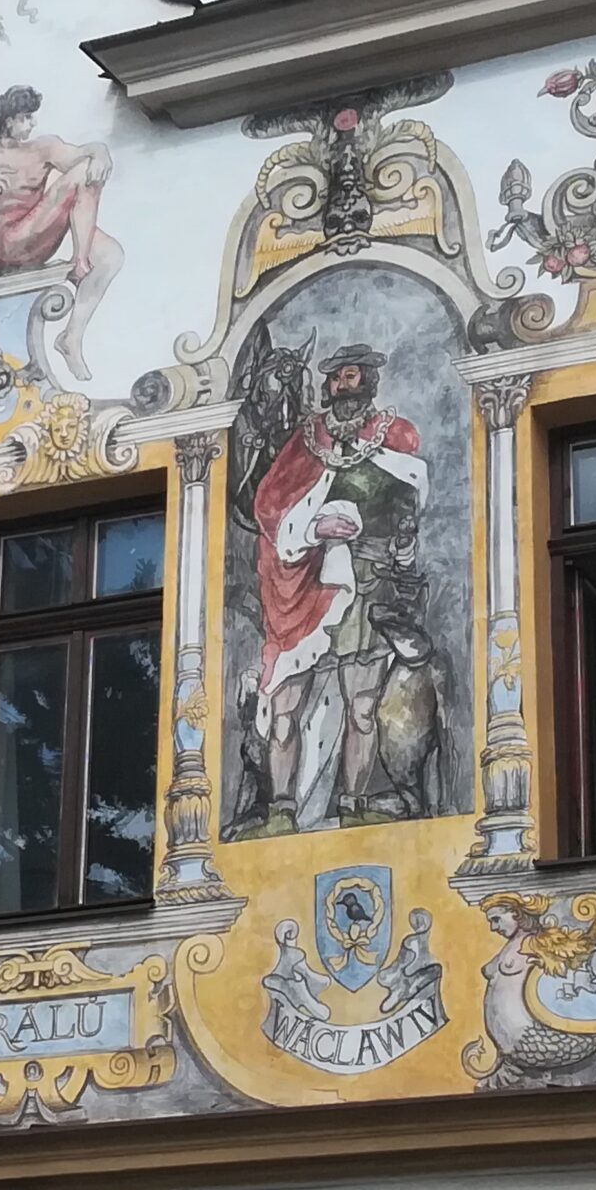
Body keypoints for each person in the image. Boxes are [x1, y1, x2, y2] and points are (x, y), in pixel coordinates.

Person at [249, 346, 429, 830]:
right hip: (304, 581)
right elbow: (270, 505)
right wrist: (311, 529)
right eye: (336, 379)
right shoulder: (305, 441)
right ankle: (281, 809)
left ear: (368, 381)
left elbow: (409, 502)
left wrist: (399, 547)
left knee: (363, 706)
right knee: (286, 705)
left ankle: (352, 804)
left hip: (367, 586)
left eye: (353, 377)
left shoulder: (395, 436)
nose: (343, 386)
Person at [0, 86, 123, 381]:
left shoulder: (41, 148)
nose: (32, 123)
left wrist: (101, 151)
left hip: (38, 233)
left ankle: (71, 337)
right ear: (8, 121)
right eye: (25, 117)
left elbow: (84, 155)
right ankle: (80, 262)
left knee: (111, 255)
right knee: (82, 173)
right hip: (9, 247)